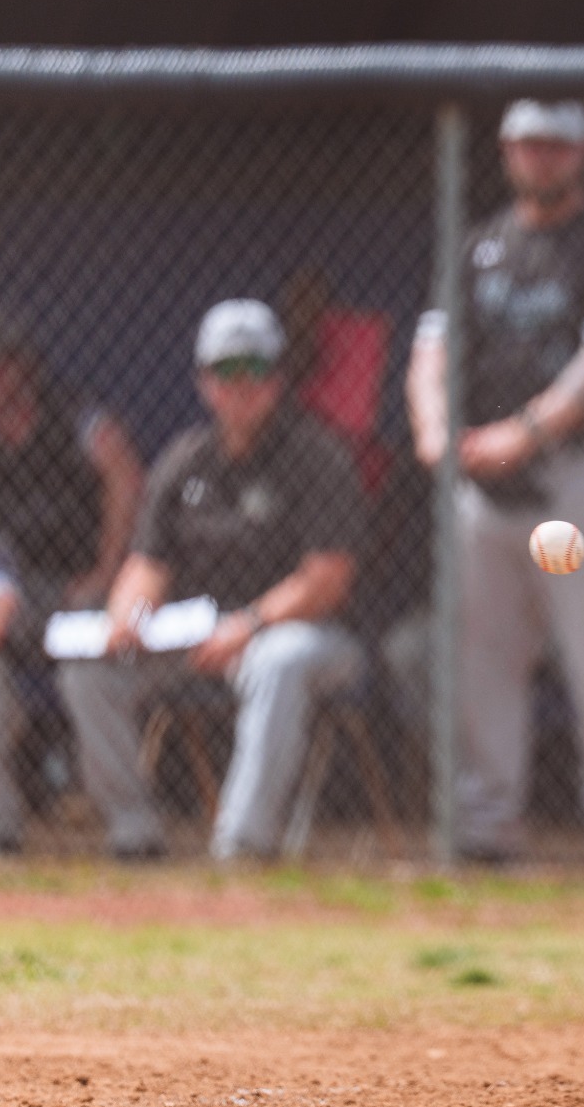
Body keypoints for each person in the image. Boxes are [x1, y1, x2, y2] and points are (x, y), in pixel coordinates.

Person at [406, 99, 584, 864]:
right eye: (527, 143)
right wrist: (434, 433)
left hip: (581, 480)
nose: (539, 157)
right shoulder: (480, 244)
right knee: (481, 660)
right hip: (486, 489)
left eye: (555, 145)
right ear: (505, 149)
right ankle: (487, 825)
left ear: (583, 152)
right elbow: (433, 348)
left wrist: (523, 433)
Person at [59, 300, 365, 861]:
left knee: (279, 662)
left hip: (299, 633)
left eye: (255, 369)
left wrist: (247, 625)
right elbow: (147, 564)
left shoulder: (317, 456)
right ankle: (134, 832)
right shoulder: (185, 460)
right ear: (204, 383)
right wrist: (130, 616)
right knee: (89, 671)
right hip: (195, 634)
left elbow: (328, 579)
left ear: (278, 379)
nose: (241, 385)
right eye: (226, 371)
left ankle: (241, 845)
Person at [0, 324, 146, 853]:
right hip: (17, 589)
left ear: (25, 367)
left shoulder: (71, 415)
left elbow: (124, 472)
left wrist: (106, 571)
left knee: (88, 670)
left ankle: (127, 825)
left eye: (8, 362)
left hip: (83, 587)